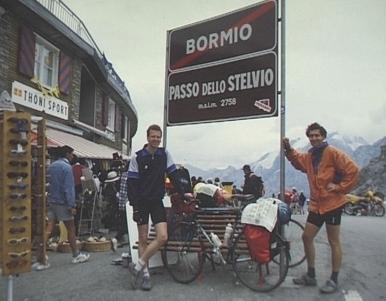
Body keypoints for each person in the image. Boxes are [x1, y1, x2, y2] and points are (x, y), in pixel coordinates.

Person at [283, 122, 359, 294]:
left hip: (333, 204)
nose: (314, 138)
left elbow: (353, 170)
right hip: (317, 205)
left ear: (323, 136)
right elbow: (298, 161)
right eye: (311, 135)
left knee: (333, 241)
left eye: (317, 135)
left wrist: (339, 187)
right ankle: (311, 275)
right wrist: (288, 149)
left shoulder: (332, 152)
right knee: (306, 237)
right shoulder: (310, 156)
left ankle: (333, 279)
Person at [126, 124, 186, 291]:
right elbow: (132, 184)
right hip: (142, 203)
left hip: (157, 201)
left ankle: (137, 266)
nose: (156, 139)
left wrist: (184, 193)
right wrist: (135, 206)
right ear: (147, 137)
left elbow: (174, 175)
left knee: (163, 236)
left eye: (158, 137)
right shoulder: (137, 157)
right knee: (143, 239)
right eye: (153, 136)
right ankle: (145, 276)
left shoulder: (164, 154)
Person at [46, 145, 90, 264]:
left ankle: (41, 255)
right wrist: (71, 205)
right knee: (71, 228)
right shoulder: (66, 168)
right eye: (71, 154)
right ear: (67, 154)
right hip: (63, 202)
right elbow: (68, 189)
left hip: (51, 201)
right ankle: (76, 254)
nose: (72, 156)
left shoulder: (51, 166)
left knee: (48, 227)